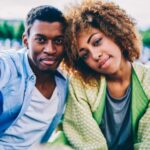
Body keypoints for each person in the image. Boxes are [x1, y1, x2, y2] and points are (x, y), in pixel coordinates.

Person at [53, 0, 150, 149]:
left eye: (97, 42)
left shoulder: (147, 81)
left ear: (115, 33)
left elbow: (147, 141)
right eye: (84, 55)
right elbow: (89, 143)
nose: (95, 55)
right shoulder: (80, 84)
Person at [0, 5, 68, 149]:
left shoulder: (65, 81)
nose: (50, 50)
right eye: (41, 40)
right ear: (26, 40)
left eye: (58, 41)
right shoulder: (9, 65)